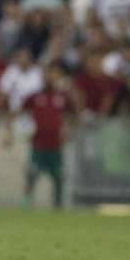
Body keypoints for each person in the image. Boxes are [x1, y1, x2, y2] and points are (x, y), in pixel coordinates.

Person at [7, 64, 76, 208]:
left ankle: (58, 206)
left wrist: (70, 131)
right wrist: (11, 132)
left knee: (58, 177)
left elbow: (74, 115)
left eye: (54, 74)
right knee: (31, 175)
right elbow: (17, 112)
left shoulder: (62, 96)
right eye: (48, 74)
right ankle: (26, 203)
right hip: (38, 144)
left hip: (56, 145)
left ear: (57, 77)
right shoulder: (35, 96)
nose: (50, 77)